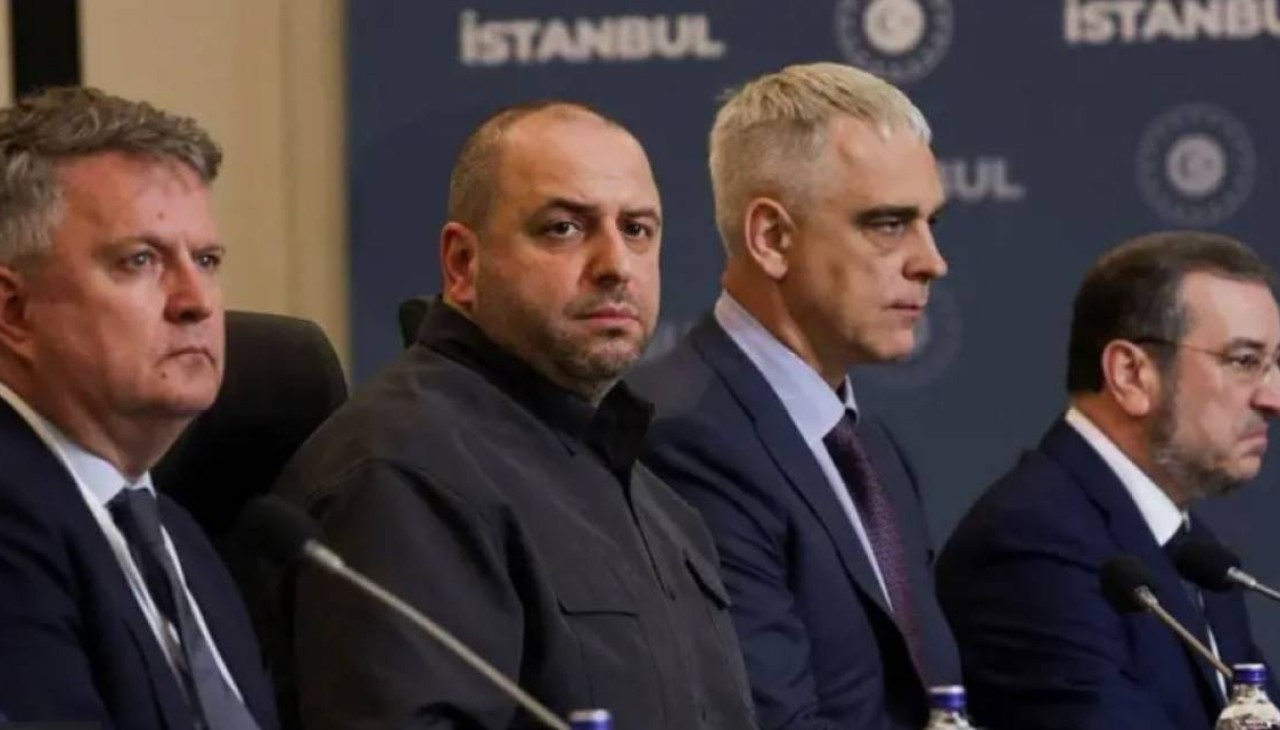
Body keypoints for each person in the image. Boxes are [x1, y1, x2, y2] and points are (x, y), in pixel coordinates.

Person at [272, 100, 757, 730]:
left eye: (637, 229)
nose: (616, 265)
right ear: (462, 264)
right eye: (564, 228)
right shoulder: (402, 472)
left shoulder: (659, 503)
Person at [627, 62, 960, 730]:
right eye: (888, 224)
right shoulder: (686, 439)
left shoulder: (872, 450)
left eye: (930, 222)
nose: (931, 260)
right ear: (772, 239)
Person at [0, 87, 278, 729]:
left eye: (206, 260)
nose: (195, 301)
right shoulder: (11, 523)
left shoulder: (179, 539)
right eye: (141, 260)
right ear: (14, 311)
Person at [937, 231, 1280, 730]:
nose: (1273, 398)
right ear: (1130, 375)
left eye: (1275, 363)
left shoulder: (1198, 557)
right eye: (1244, 362)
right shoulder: (1030, 545)